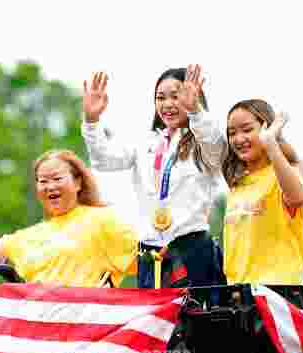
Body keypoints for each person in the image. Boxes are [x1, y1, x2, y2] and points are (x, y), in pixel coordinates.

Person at [82, 65, 227, 289]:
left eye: (175, 96)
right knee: (155, 323)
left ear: (191, 96)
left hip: (191, 250)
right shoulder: (145, 143)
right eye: (161, 97)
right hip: (150, 253)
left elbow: (217, 146)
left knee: (193, 322)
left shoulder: (203, 143)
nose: (167, 104)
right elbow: (103, 159)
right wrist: (91, 121)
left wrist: (196, 112)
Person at [0, 150, 137, 288]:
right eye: (43, 181)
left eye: (57, 179)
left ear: (78, 182)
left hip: (91, 331)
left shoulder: (102, 220)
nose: (50, 186)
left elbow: (149, 263)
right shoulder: (35, 234)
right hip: (43, 336)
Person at [221, 100, 303, 285]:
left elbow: (297, 197)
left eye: (246, 130)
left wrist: (270, 143)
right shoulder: (237, 183)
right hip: (239, 295)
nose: (238, 139)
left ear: (266, 127)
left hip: (277, 296)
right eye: (232, 133)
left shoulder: (285, 171)